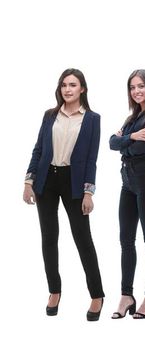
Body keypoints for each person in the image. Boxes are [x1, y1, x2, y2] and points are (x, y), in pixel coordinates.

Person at [23, 68, 104, 321]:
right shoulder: (49, 115)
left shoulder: (92, 119)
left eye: (73, 84)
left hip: (74, 182)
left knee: (83, 238)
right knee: (49, 237)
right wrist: (28, 181)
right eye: (64, 85)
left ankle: (97, 294)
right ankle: (54, 291)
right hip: (46, 179)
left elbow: (91, 159)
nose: (67, 89)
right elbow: (39, 149)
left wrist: (88, 193)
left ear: (82, 89)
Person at [108, 69, 145, 319]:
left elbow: (143, 148)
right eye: (132, 87)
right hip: (127, 182)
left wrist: (126, 144)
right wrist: (130, 136)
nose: (137, 91)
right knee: (125, 240)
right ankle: (126, 295)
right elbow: (112, 142)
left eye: (141, 86)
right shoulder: (132, 118)